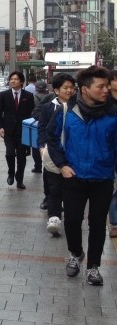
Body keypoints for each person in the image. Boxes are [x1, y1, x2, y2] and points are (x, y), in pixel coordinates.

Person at [46, 66, 117, 286]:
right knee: (73, 221)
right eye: (101, 86)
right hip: (74, 177)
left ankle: (93, 267)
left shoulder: (113, 113)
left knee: (97, 224)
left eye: (107, 85)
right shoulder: (67, 111)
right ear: (85, 89)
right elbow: (52, 137)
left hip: (103, 178)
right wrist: (62, 165)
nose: (106, 90)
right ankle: (76, 253)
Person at [38, 72, 74, 237]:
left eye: (72, 88)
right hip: (52, 152)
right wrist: (41, 146)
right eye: (65, 88)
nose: (69, 91)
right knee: (54, 188)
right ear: (57, 90)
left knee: (71, 189)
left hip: (73, 154)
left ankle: (73, 218)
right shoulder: (48, 107)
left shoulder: (78, 106)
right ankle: (54, 218)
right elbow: (43, 127)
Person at [0, 70, 36, 189]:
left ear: (22, 82)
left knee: (21, 156)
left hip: (23, 130)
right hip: (8, 130)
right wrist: (0, 127)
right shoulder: (3, 95)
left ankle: (20, 179)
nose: (13, 81)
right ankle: (10, 172)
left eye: (16, 79)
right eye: (11, 79)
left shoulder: (28, 96)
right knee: (9, 153)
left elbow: (31, 113)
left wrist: (30, 128)